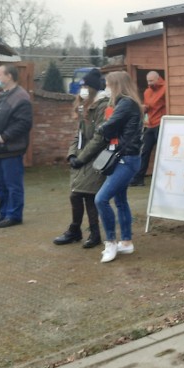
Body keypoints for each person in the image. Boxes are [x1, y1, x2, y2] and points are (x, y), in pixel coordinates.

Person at [72, 71, 142, 263]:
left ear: (117, 85)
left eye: (109, 85)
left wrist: (100, 126)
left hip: (125, 159)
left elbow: (107, 128)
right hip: (125, 157)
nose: (106, 88)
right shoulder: (126, 103)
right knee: (120, 200)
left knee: (101, 199)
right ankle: (126, 242)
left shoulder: (125, 103)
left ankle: (110, 241)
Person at [53, 68, 107, 248]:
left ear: (92, 87)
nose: (82, 88)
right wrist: (72, 154)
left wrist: (82, 158)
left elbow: (99, 137)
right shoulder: (85, 106)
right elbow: (79, 134)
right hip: (83, 157)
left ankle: (94, 233)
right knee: (75, 195)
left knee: (88, 195)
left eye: (85, 85)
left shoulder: (102, 106)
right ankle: (75, 230)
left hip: (96, 157)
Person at [0, 64, 33, 228]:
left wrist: (5, 137)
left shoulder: (21, 97)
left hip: (10, 149)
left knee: (13, 185)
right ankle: (3, 213)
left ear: (9, 76)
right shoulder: (3, 95)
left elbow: (24, 123)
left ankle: (14, 215)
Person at [130, 71, 167, 186]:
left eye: (151, 81)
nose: (149, 83)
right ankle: (138, 179)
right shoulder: (147, 92)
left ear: (158, 79)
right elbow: (148, 107)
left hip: (161, 124)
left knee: (163, 153)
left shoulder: (166, 88)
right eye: (148, 81)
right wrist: (144, 108)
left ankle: (164, 178)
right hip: (150, 124)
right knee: (144, 152)